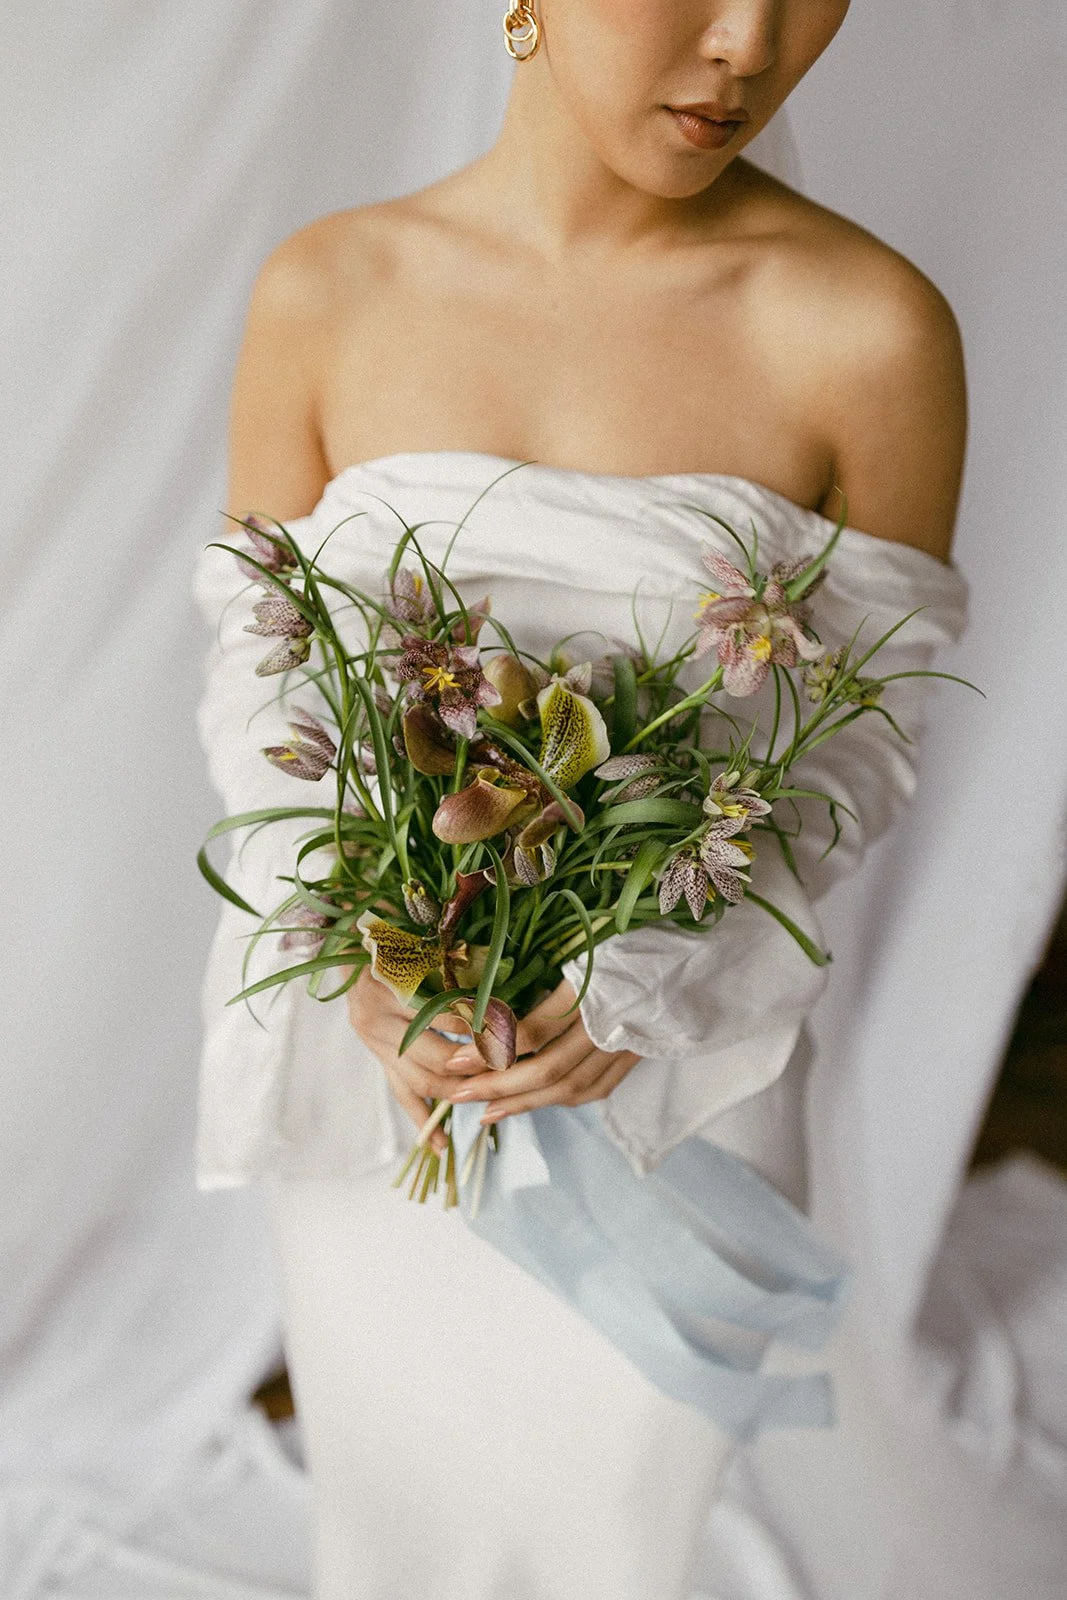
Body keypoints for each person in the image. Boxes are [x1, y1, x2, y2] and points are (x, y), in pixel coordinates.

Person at [198, 4, 969, 1596]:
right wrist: (365, 958)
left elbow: (862, 736)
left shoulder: (870, 331)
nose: (745, 46)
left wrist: (660, 982)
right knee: (397, 1521)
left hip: (679, 1074)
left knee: (612, 1526)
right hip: (383, 1072)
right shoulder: (328, 289)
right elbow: (260, 675)